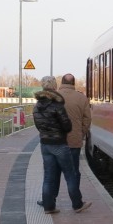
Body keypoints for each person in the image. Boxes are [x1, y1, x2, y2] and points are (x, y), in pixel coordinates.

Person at [33, 75, 90, 214]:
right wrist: (78, 133)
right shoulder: (58, 103)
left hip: (45, 143)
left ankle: (49, 205)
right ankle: (77, 204)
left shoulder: (37, 105)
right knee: (71, 174)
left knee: (49, 176)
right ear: (54, 86)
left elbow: (38, 125)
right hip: (62, 143)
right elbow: (69, 124)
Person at [58, 73, 91, 174]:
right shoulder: (82, 98)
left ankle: (52, 190)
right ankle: (74, 190)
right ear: (74, 83)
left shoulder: (55, 96)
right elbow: (87, 119)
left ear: (62, 82)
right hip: (74, 140)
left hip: (56, 141)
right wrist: (81, 133)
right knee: (73, 172)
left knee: (53, 175)